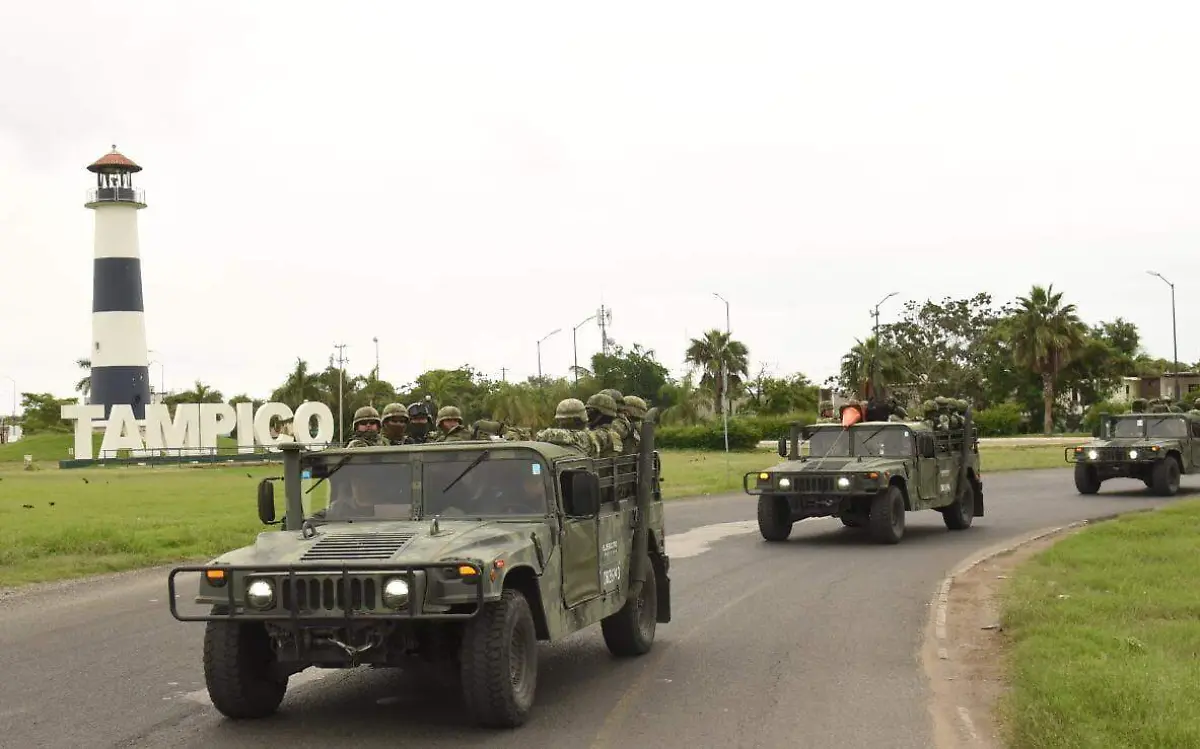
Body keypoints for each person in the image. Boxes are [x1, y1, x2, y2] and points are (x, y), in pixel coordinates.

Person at [585, 392, 623, 457]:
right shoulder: (613, 434)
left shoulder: (601, 435)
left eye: (590, 411)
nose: (587, 414)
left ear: (601, 414)